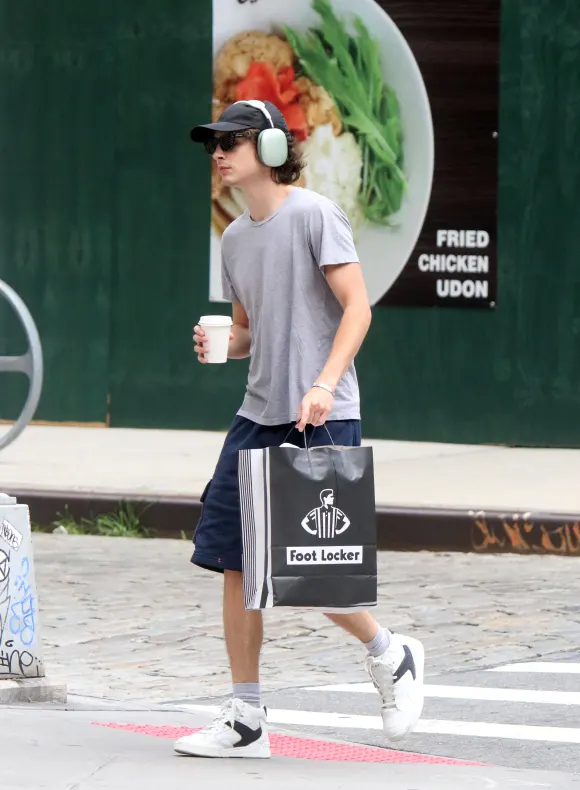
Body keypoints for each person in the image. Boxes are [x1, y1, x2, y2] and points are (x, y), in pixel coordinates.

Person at [175, 99, 424, 759]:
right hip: (256, 415)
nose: (220, 153)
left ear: (274, 149)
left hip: (324, 413)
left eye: (232, 141)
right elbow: (251, 330)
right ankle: (246, 717)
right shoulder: (233, 237)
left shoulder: (316, 215)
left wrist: (323, 383)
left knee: (313, 573)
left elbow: (357, 309)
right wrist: (222, 344)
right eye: (214, 145)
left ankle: (392, 655)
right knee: (233, 563)